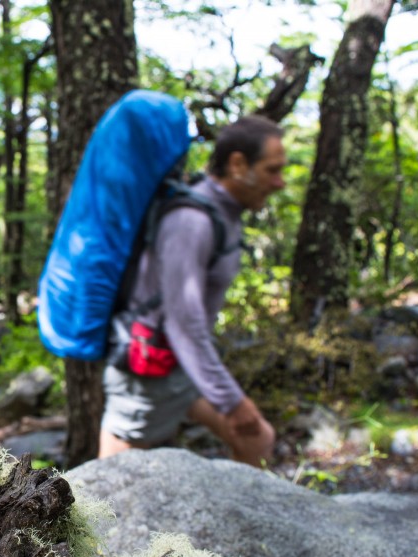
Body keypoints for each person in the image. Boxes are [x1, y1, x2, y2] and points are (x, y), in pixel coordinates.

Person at [99, 115, 286, 467]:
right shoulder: (192, 221)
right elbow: (183, 322)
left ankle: (239, 522)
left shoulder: (223, 213)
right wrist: (232, 400)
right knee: (107, 494)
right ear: (237, 164)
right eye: (271, 170)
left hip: (182, 367)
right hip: (147, 375)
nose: (280, 182)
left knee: (256, 440)